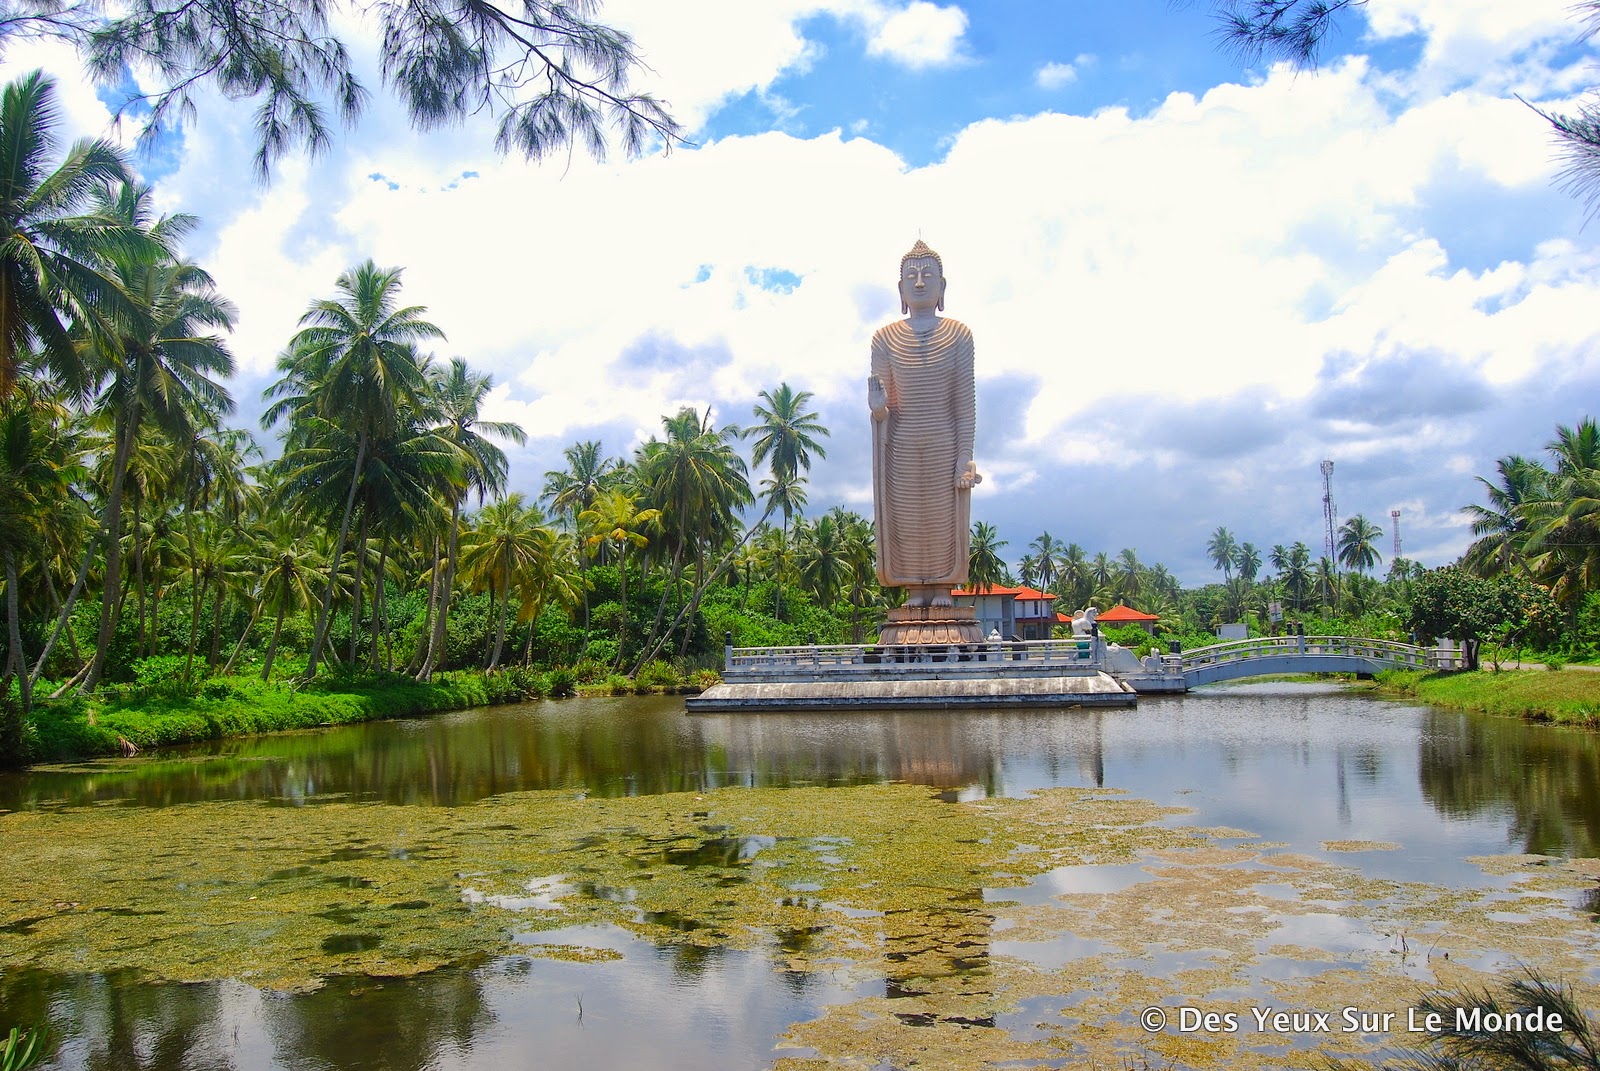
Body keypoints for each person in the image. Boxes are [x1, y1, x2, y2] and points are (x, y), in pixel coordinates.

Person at [869, 239, 980, 608]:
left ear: (942, 286)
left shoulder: (960, 335)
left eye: (927, 276)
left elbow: (965, 407)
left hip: (944, 443)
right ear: (900, 289)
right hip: (900, 444)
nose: (919, 283)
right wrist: (879, 409)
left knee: (942, 520)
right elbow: (885, 405)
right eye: (911, 277)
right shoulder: (884, 339)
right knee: (907, 519)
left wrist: (964, 458)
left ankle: (943, 586)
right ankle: (915, 588)